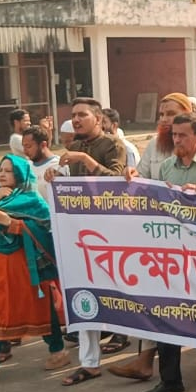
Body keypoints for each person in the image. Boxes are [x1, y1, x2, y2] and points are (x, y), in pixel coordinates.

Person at [104, 112, 196, 392]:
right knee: (167, 311)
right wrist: (135, 182)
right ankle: (171, 380)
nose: (177, 140)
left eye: (183, 135)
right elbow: (156, 199)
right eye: (174, 135)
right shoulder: (168, 166)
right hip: (172, 254)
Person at [0, 155, 69, 387]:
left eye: (9, 171)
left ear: (20, 175)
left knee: (41, 310)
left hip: (25, 271)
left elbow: (45, 232)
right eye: (1, 170)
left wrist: (12, 224)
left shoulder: (32, 200)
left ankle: (58, 351)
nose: (2, 174)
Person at [48, 98, 130, 373]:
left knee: (121, 288)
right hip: (82, 232)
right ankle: (89, 362)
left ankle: (126, 336)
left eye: (82, 115)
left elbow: (116, 181)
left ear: (98, 118)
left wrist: (85, 160)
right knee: (83, 289)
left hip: (111, 232)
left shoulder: (113, 145)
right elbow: (75, 187)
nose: (76, 120)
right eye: (73, 115)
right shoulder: (75, 147)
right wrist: (56, 178)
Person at [21, 126, 61, 202]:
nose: (25, 151)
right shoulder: (26, 167)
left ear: (43, 145)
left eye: (28, 146)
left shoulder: (59, 165)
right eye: (23, 147)